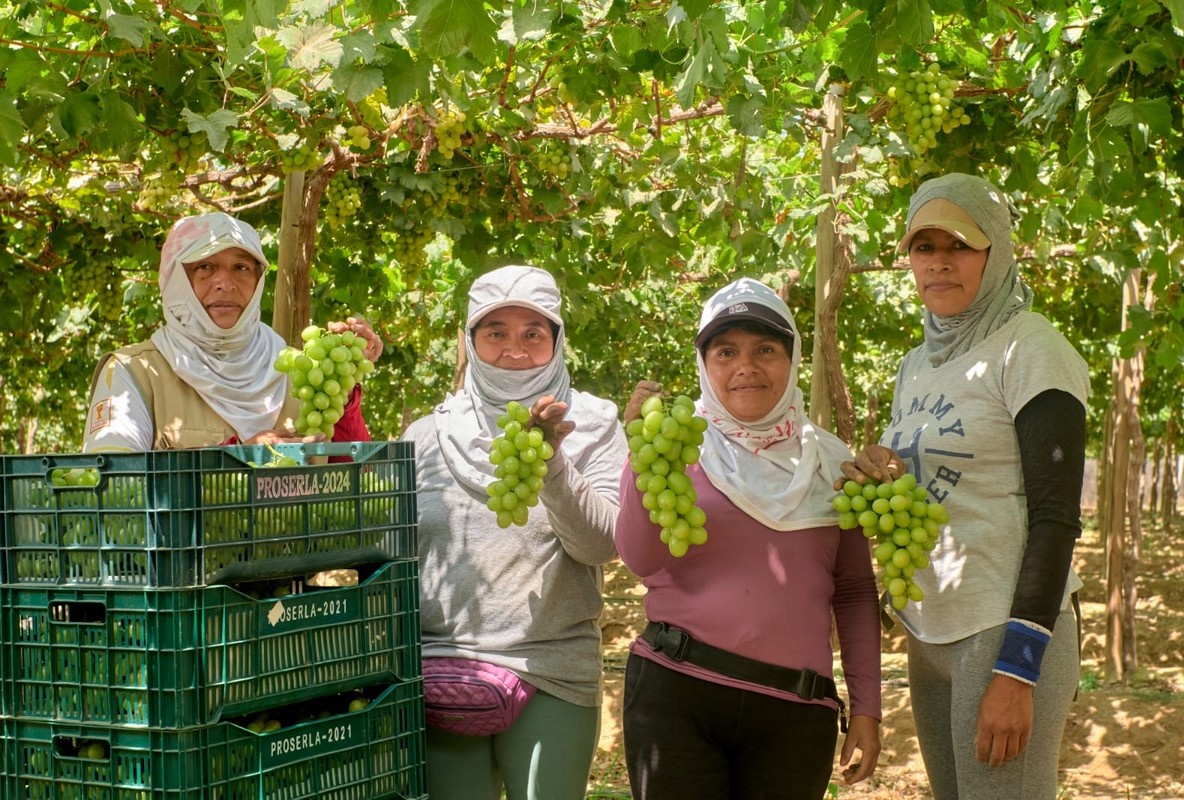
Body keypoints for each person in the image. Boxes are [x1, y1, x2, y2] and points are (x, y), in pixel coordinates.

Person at [841, 173, 1089, 799]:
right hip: (932, 631)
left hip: (1001, 632)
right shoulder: (916, 363)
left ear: (995, 251)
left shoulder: (1030, 347)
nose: (939, 262)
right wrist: (888, 472)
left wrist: (1018, 670)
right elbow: (935, 488)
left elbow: (1057, 516)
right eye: (923, 247)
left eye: (959, 244)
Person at [616, 277, 883, 800]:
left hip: (795, 714)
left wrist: (868, 708)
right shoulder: (678, 446)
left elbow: (852, 592)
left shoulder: (833, 462)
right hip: (677, 697)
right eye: (725, 351)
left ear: (793, 358)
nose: (746, 365)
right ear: (704, 364)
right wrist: (639, 454)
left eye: (766, 349)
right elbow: (640, 558)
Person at [401, 265, 626, 800]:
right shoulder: (426, 433)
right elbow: (396, 554)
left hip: (551, 668)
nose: (515, 349)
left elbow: (602, 545)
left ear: (557, 340)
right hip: (440, 670)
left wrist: (552, 462)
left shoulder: (593, 423)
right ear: (471, 341)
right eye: (495, 332)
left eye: (533, 333)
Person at [83, 211, 381, 452]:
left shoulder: (297, 369)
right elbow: (116, 491)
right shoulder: (133, 373)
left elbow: (350, 475)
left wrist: (345, 381)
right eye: (205, 267)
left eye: (241, 267)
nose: (225, 282)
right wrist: (236, 458)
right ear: (176, 281)